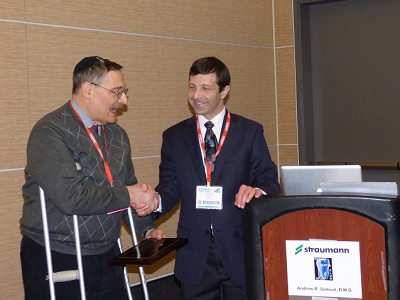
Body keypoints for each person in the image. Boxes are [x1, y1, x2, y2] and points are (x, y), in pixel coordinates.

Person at [20, 56, 164, 300]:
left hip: (107, 251)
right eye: (117, 92)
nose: (124, 100)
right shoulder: (50, 132)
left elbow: (126, 187)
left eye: (124, 92)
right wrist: (131, 193)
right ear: (88, 89)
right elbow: (71, 197)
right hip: (57, 251)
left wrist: (146, 229)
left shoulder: (117, 135)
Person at [152, 56, 281, 300]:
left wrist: (257, 191)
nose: (196, 95)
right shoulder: (174, 136)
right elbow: (170, 186)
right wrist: (154, 202)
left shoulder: (250, 131)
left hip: (240, 249)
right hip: (195, 253)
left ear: (225, 91)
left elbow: (270, 182)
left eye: (205, 88)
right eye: (192, 86)